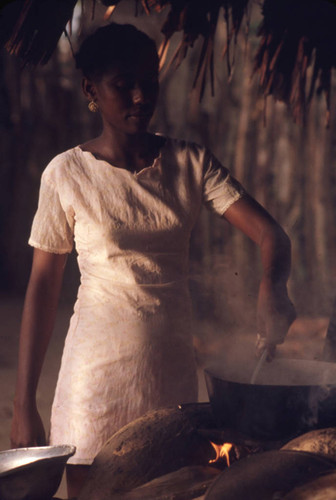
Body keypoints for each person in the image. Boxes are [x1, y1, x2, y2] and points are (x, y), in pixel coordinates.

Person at [10, 22, 296, 498]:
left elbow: (271, 235)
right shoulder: (66, 173)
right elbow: (42, 288)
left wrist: (273, 284)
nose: (140, 96)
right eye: (123, 85)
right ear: (91, 90)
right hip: (94, 381)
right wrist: (23, 403)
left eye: (149, 82)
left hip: (170, 376)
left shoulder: (190, 163)